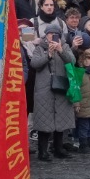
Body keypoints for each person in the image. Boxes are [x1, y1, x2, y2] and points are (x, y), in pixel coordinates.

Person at [28, 30, 76, 160]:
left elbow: (72, 61)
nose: (52, 36)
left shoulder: (65, 46)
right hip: (44, 90)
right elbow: (34, 64)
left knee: (60, 119)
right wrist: (48, 55)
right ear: (45, 35)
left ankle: (58, 148)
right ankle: (43, 151)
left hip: (61, 88)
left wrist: (60, 50)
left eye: (55, 34)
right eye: (50, 34)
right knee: (44, 121)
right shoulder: (40, 48)